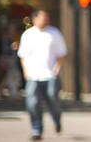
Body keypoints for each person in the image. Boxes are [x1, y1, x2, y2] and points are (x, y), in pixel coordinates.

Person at [17, 9, 67, 141]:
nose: (45, 20)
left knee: (52, 98)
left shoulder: (54, 33)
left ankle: (57, 119)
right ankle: (36, 129)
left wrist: (57, 69)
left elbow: (61, 54)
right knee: (33, 103)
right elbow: (22, 55)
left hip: (50, 74)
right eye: (42, 17)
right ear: (34, 19)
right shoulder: (28, 35)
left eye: (46, 17)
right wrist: (25, 71)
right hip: (33, 75)